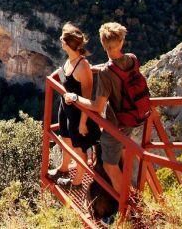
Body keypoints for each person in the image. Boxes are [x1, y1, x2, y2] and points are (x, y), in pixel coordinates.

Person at [63, 22, 149, 198]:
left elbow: (97, 106)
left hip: (117, 124)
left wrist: (75, 98)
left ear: (103, 45)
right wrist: (98, 68)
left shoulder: (106, 75)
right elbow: (117, 66)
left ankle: (126, 203)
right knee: (124, 152)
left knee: (109, 164)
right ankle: (132, 192)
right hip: (135, 115)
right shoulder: (132, 58)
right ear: (122, 42)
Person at [48, 23, 100, 189]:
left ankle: (76, 182)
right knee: (66, 139)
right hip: (66, 109)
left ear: (68, 43)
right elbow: (64, 73)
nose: (60, 41)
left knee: (79, 149)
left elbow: (87, 96)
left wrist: (83, 123)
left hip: (78, 114)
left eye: (62, 39)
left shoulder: (83, 66)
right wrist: (53, 76)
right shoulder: (70, 61)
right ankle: (63, 168)